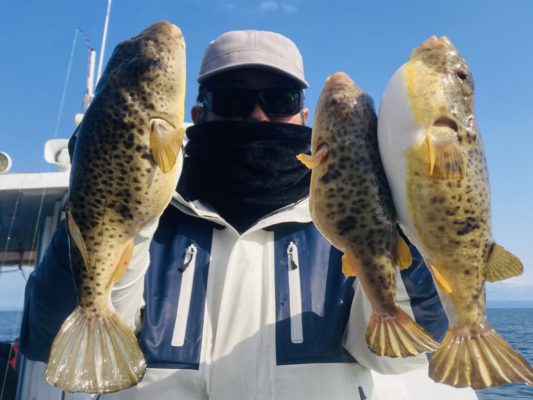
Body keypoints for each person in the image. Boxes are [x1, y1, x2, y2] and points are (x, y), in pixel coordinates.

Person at [18, 30, 478, 400]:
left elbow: (395, 358)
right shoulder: (152, 218)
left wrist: (398, 212)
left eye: (279, 100)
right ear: (197, 114)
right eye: (232, 101)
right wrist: (97, 181)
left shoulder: (341, 225)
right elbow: (54, 334)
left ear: (304, 118)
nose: (258, 116)